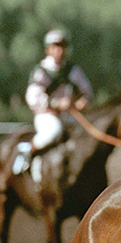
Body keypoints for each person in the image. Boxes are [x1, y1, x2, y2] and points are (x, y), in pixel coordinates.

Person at [12, 29, 93, 177]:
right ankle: (26, 151)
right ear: (48, 49)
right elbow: (32, 97)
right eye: (55, 46)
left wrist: (84, 101)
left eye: (62, 46)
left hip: (70, 116)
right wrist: (56, 104)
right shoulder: (42, 70)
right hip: (47, 116)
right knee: (53, 131)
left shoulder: (73, 70)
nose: (59, 50)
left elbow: (87, 91)